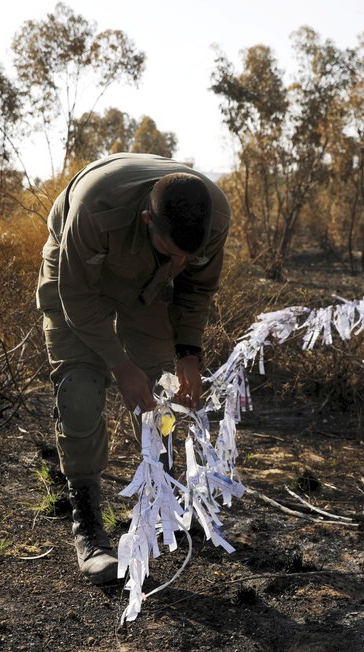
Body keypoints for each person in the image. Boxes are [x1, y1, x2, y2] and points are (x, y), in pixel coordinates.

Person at [36, 153, 230, 584]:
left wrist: (188, 355)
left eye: (187, 255)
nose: (181, 262)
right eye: (172, 251)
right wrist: (120, 366)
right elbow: (78, 301)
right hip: (81, 278)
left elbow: (195, 289)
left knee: (158, 396)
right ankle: (88, 529)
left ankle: (162, 501)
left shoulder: (213, 217)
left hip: (147, 282)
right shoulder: (95, 207)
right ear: (148, 220)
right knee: (80, 391)